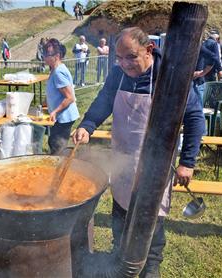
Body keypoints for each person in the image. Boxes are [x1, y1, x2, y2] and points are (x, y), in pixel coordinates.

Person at [73, 27, 204, 277]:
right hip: (122, 162)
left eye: (130, 57)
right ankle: (119, 260)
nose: (124, 64)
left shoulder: (170, 77)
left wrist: (187, 162)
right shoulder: (118, 74)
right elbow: (103, 101)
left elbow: (195, 118)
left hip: (155, 166)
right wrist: (87, 125)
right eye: (119, 58)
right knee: (120, 216)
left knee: (150, 227)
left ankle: (150, 268)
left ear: (149, 50)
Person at [43, 38, 80, 155]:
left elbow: (70, 98)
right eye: (44, 54)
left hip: (65, 117)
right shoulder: (55, 70)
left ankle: (60, 168)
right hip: (62, 116)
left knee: (56, 145)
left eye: (48, 54)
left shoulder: (58, 72)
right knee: (54, 142)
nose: (45, 57)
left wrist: (54, 111)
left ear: (57, 55)